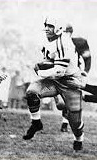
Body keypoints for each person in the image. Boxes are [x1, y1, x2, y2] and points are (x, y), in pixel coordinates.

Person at [23, 16, 87, 151]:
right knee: (32, 92)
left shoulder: (65, 43)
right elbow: (50, 60)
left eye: (50, 26)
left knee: (75, 121)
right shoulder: (47, 40)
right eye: (46, 25)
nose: (46, 28)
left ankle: (78, 138)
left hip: (70, 81)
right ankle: (36, 122)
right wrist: (42, 63)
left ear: (58, 28)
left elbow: (59, 71)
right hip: (54, 80)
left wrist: (40, 72)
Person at [54, 24, 92, 132]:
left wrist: (85, 72)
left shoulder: (80, 43)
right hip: (59, 75)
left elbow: (87, 59)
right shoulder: (55, 44)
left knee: (71, 100)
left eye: (66, 33)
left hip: (73, 74)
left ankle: (65, 123)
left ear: (70, 33)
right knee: (61, 104)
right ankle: (58, 100)